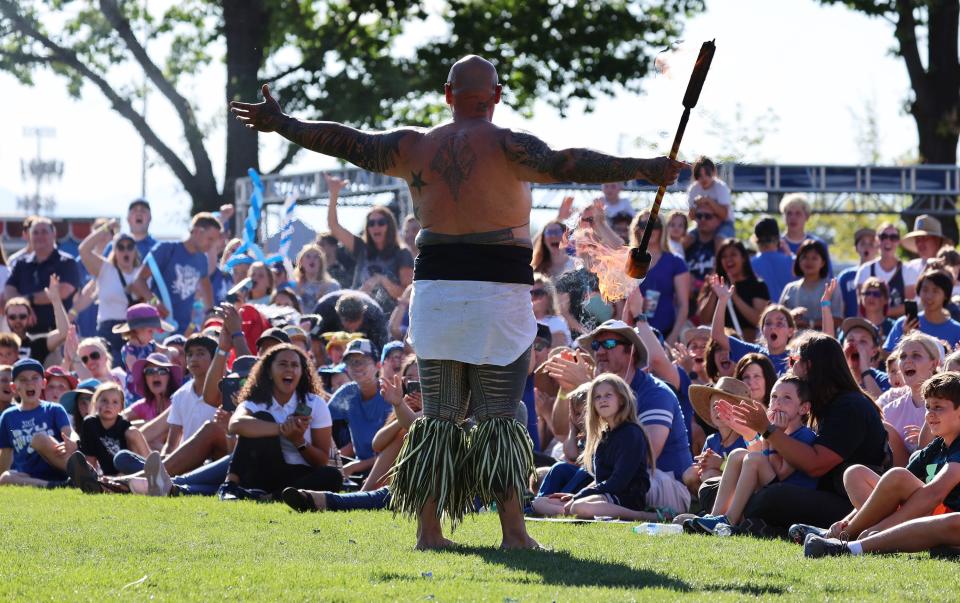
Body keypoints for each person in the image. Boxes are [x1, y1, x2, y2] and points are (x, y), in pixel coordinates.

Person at [231, 54, 682, 549]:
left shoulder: (412, 147)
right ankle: (513, 533)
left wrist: (284, 123)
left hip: (437, 294)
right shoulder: (510, 144)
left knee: (439, 416)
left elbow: (348, 140)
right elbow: (566, 162)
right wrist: (645, 166)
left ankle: (429, 532)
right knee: (500, 414)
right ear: (497, 95)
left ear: (448, 95)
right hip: (497, 295)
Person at [724, 334, 890, 534]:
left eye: (793, 361)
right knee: (715, 487)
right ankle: (741, 521)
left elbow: (815, 465)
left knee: (771, 497)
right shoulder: (825, 404)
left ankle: (750, 522)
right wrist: (755, 433)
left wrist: (767, 430)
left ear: (810, 366)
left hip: (852, 502)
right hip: (821, 492)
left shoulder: (850, 406)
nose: (790, 367)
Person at [803, 371, 960, 558]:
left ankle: (852, 545)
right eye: (928, 407)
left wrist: (882, 529)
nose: (930, 415)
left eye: (938, 407)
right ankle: (843, 533)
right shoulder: (939, 445)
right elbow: (890, 488)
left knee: (950, 517)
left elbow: (934, 494)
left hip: (946, 517)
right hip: (929, 513)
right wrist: (847, 520)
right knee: (857, 473)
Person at [694, 374, 818, 534]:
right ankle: (715, 516)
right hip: (771, 487)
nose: (778, 402)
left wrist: (773, 434)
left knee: (753, 459)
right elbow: (762, 458)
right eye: (774, 396)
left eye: (787, 398)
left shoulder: (804, 436)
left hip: (790, 496)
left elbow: (780, 472)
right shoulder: (773, 428)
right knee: (738, 453)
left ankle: (730, 520)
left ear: (804, 408)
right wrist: (764, 433)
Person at [221, 344, 342, 500]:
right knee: (261, 417)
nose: (289, 369)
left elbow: (321, 461)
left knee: (332, 476)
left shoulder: (315, 404)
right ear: (269, 372)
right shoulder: (257, 401)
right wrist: (282, 429)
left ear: (302, 372)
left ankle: (271, 497)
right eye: (283, 364)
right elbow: (235, 424)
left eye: (295, 365)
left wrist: (298, 441)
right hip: (263, 469)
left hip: (300, 473)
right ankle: (230, 486)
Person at [531, 374, 657, 520]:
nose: (602, 400)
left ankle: (644, 515)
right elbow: (599, 478)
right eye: (597, 397)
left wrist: (581, 496)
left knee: (579, 507)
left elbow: (618, 481)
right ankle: (570, 510)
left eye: (608, 395)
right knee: (539, 502)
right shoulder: (603, 434)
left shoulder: (631, 433)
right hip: (601, 495)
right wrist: (577, 495)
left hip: (624, 497)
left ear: (621, 400)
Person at [323, 173, 414, 314]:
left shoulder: (402, 253)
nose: (375, 227)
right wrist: (334, 193)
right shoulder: (361, 248)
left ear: (389, 226)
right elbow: (333, 226)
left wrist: (381, 280)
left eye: (381, 223)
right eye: (371, 223)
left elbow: (407, 293)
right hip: (358, 314)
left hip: (388, 319)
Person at [130, 212, 222, 334]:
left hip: (184, 329)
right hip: (160, 327)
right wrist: (154, 302)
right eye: (210, 239)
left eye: (214, 241)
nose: (211, 245)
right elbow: (138, 281)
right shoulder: (166, 249)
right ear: (198, 231)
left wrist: (210, 312)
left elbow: (206, 285)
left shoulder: (202, 259)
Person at [0, 359, 74, 488]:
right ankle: (56, 485)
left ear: (43, 383)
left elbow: (70, 435)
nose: (29, 383)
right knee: (6, 477)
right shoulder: (8, 417)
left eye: (35, 378)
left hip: (60, 468)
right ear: (13, 387)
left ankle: (80, 473)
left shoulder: (54, 409)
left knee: (39, 439)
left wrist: (74, 441)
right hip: (29, 476)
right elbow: (6, 453)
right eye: (23, 379)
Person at [328, 339, 392, 480]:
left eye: (362, 361)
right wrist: (333, 459)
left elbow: (395, 451)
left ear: (378, 365)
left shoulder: (389, 394)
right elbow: (322, 421)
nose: (356, 366)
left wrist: (354, 467)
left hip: (389, 469)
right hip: (359, 467)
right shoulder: (347, 392)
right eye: (351, 362)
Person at [3, 217, 81, 334]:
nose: (39, 236)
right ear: (29, 236)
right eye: (35, 232)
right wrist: (25, 305)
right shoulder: (21, 264)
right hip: (26, 336)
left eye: (44, 232)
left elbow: (63, 291)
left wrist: (28, 300)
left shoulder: (67, 262)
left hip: (58, 335)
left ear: (54, 234)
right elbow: (9, 290)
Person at [78, 224, 143, 361]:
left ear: (135, 251)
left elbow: (154, 302)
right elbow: (83, 249)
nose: (125, 251)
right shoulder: (105, 269)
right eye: (121, 247)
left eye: (129, 247)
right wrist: (106, 228)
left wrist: (142, 292)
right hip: (108, 331)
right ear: (114, 251)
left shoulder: (142, 273)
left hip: (135, 331)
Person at [622, 212, 689, 345]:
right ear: (637, 230)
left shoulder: (676, 262)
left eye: (654, 225)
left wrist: (671, 339)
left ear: (662, 229)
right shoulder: (629, 261)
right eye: (643, 225)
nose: (649, 230)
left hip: (666, 333)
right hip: (634, 335)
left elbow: (683, 306)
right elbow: (620, 303)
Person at [709, 276, 796, 375]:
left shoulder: (796, 359)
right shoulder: (752, 353)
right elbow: (717, 335)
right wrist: (722, 299)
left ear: (790, 331)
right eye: (768, 323)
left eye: (779, 323)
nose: (773, 327)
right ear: (762, 330)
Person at [682, 377, 754, 495]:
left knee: (709, 476)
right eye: (715, 406)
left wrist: (720, 464)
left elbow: (748, 474)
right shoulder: (712, 440)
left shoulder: (746, 439)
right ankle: (707, 507)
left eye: (725, 406)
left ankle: (726, 510)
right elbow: (704, 469)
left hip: (741, 492)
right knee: (690, 474)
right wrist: (703, 465)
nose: (718, 410)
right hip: (713, 483)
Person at [877, 332, 942, 453]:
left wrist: (927, 442)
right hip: (900, 470)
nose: (907, 361)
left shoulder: (950, 404)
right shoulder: (889, 411)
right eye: (902, 357)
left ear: (934, 364)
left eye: (916, 355)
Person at [697, 239, 770, 343]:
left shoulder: (757, 285)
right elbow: (704, 320)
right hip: (721, 345)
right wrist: (714, 292)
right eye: (724, 256)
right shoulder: (715, 285)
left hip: (748, 345)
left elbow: (758, 321)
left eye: (733, 254)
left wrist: (733, 296)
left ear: (743, 258)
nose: (728, 259)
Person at [75, 382, 151, 476]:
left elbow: (137, 453)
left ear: (121, 407)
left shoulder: (124, 426)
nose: (109, 405)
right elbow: (90, 458)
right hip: (109, 475)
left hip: (132, 472)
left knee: (133, 433)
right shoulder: (90, 424)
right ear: (95, 402)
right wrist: (89, 476)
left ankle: (153, 472)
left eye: (115, 402)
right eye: (104, 400)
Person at [885, 268, 960, 352]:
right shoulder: (903, 324)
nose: (929, 296)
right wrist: (905, 337)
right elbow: (887, 357)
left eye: (935, 291)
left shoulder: (957, 331)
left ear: (946, 295)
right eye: (925, 290)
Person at [854, 222, 912, 318]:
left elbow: (910, 307)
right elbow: (861, 307)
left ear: (898, 242)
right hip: (872, 327)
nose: (888, 241)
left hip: (900, 329)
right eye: (883, 236)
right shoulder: (865, 270)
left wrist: (882, 313)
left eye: (893, 237)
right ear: (877, 240)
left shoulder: (908, 270)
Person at [779, 239, 841, 330]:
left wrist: (810, 324)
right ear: (798, 261)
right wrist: (792, 317)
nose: (809, 261)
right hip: (794, 341)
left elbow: (838, 319)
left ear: (823, 262)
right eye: (804, 257)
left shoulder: (831, 286)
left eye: (814, 258)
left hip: (823, 341)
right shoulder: (790, 288)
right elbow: (779, 317)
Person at [314, 290, 388, 353]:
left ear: (363, 314)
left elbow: (380, 352)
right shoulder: (323, 311)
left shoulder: (375, 317)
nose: (351, 327)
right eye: (348, 321)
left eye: (354, 320)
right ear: (339, 315)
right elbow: (313, 339)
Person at [778, 194, 831, 275]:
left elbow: (827, 277)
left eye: (798, 213)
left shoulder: (818, 244)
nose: (793, 217)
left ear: (807, 217)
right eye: (789, 213)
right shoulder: (776, 244)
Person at [686, 156, 734, 239]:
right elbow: (691, 217)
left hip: (723, 224)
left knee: (720, 239)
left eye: (707, 174)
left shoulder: (721, 187)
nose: (704, 178)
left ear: (714, 172)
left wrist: (709, 201)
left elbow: (724, 215)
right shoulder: (693, 189)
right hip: (701, 224)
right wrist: (696, 205)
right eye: (700, 175)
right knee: (687, 239)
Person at [749, 217, 795, 303]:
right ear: (778, 238)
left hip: (763, 314)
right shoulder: (793, 262)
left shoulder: (749, 264)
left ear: (755, 239)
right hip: (788, 313)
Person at [837, 227, 878, 318]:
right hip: (851, 326)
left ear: (877, 248)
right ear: (856, 248)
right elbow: (840, 306)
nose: (867, 247)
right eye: (863, 243)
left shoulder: (881, 274)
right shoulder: (845, 276)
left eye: (871, 244)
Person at [902, 214, 952, 278]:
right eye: (917, 239)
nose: (919, 243)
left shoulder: (952, 269)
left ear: (937, 240)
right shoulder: (910, 268)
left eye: (924, 238)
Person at [294, 243, 340, 312]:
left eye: (316, 257)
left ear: (321, 262)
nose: (312, 260)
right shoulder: (293, 286)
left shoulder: (332, 286)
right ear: (301, 262)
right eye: (308, 256)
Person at [531, 275, 572, 346]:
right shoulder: (522, 321)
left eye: (538, 293)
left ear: (548, 296)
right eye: (530, 293)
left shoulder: (557, 322)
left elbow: (558, 347)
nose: (532, 297)